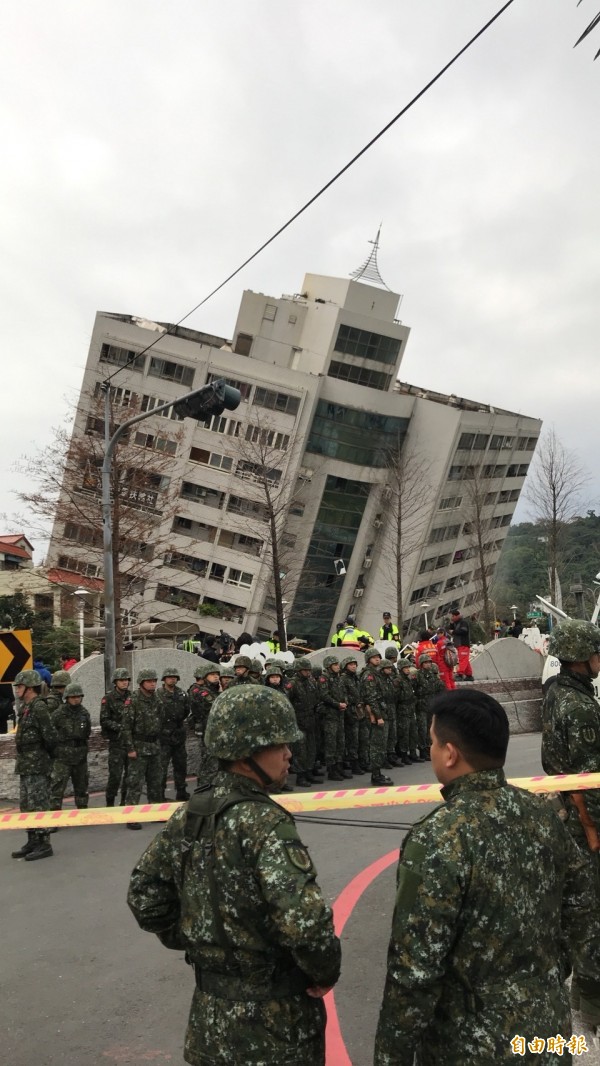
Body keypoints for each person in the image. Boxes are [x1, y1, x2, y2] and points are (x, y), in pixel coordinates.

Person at [375, 688, 592, 1065]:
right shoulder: (543, 817)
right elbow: (582, 910)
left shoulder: (438, 837)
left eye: (432, 742)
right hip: (548, 1032)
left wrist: (390, 1056)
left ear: (450, 752)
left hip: (470, 1043)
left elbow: (414, 970)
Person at [127, 686, 341, 1066]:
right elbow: (306, 924)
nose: (289, 754)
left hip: (209, 1023)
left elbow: (145, 896)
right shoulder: (265, 822)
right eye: (279, 745)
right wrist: (324, 972)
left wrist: (197, 937)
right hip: (276, 1028)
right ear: (247, 753)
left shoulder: (190, 814)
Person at [542, 618, 600, 1028]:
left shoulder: (558, 691)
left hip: (565, 809)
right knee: (591, 915)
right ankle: (589, 1009)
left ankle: (582, 1002)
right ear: (582, 657)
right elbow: (589, 780)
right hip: (582, 820)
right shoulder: (579, 706)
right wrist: (594, 830)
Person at [11, 668, 58, 862]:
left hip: (38, 764)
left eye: (20, 686)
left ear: (30, 688)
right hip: (26, 764)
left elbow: (51, 737)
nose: (17, 690)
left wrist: (44, 758)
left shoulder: (39, 707)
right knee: (27, 805)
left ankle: (44, 843)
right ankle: (32, 840)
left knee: (39, 804)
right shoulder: (25, 708)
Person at [121, 668, 164, 830]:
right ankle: (132, 816)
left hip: (154, 746)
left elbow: (161, 719)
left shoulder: (157, 699)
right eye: (149, 681)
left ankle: (156, 811)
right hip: (138, 746)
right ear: (141, 683)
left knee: (155, 781)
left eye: (154, 681)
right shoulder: (133, 701)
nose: (153, 684)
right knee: (135, 782)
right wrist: (130, 748)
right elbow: (125, 728)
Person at [50, 682, 91, 811]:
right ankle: (54, 816)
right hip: (63, 756)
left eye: (78, 696)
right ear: (67, 698)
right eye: (73, 697)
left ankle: (82, 811)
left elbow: (87, 732)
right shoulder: (58, 714)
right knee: (57, 787)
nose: (76, 699)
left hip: (80, 756)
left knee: (82, 787)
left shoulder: (84, 713)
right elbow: (50, 733)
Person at [157, 666, 191, 801]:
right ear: (164, 679)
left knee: (181, 765)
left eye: (174, 677)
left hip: (178, 734)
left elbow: (186, 711)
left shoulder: (182, 694)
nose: (172, 679)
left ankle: (181, 791)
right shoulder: (158, 694)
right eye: (170, 677)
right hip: (163, 736)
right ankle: (159, 794)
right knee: (161, 768)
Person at [100, 667, 132, 806]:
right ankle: (110, 802)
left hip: (130, 742)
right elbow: (104, 720)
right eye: (121, 680)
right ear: (115, 682)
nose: (124, 683)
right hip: (116, 743)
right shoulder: (108, 698)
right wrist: (120, 727)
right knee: (115, 776)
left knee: (129, 776)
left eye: (126, 680)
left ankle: (124, 801)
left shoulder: (132, 697)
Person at [317, 654, 351, 782]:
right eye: (335, 665)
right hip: (330, 715)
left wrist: (345, 703)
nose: (338, 667)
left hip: (340, 714)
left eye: (338, 664)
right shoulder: (324, 678)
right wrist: (337, 704)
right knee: (331, 743)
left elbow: (344, 693)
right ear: (329, 666)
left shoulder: (338, 678)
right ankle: (332, 770)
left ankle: (339, 767)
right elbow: (324, 695)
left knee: (340, 742)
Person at [188, 663, 221, 784]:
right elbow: (214, 704)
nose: (216, 677)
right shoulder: (201, 691)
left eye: (217, 674)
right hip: (208, 731)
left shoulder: (214, 690)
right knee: (209, 762)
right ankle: (203, 788)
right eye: (212, 675)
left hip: (217, 731)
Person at [448, 608, 473, 680]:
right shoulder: (457, 623)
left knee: (463, 660)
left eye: (453, 616)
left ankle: (460, 674)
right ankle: (469, 675)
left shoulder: (463, 623)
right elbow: (451, 629)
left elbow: (463, 631)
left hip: (463, 644)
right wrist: (451, 623)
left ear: (457, 616)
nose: (451, 618)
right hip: (460, 645)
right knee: (465, 659)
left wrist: (454, 631)